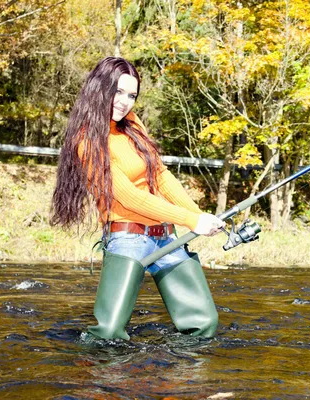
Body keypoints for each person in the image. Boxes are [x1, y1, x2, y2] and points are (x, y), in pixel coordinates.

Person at [51, 57, 225, 340]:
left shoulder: (132, 124)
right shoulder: (87, 140)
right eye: (118, 92)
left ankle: (179, 380)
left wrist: (199, 217)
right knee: (107, 334)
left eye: (131, 95)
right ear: (100, 89)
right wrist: (191, 219)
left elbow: (161, 176)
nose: (124, 102)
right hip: (127, 238)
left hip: (165, 236)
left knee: (204, 324)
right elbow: (128, 196)